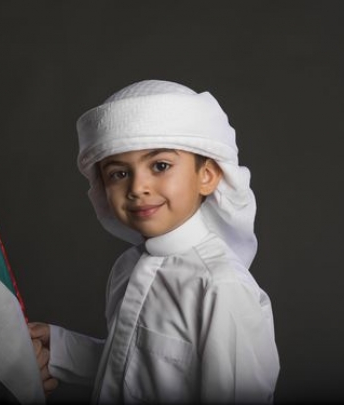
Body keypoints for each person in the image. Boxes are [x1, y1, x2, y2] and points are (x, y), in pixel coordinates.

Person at [30, 79, 280, 403]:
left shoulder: (220, 286)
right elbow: (137, 368)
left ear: (207, 175)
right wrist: (60, 350)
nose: (137, 188)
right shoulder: (127, 268)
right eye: (119, 173)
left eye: (160, 166)